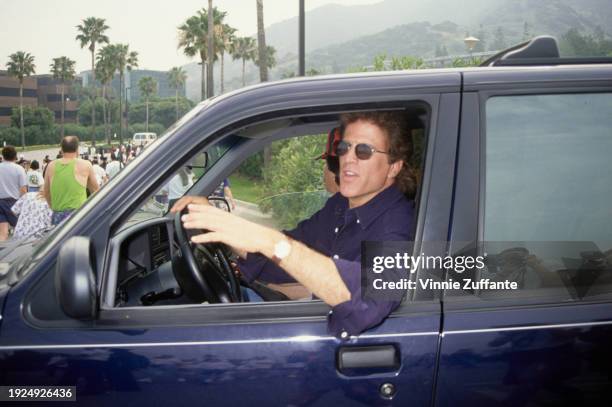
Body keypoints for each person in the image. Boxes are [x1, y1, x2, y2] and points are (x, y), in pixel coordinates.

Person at [173, 111, 417, 336]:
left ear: (394, 167)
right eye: (344, 148)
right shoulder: (341, 205)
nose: (348, 159)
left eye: (363, 151)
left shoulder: (397, 224)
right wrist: (224, 229)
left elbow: (371, 299)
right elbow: (294, 250)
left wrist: (272, 242)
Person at [44, 136, 99, 225]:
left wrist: (54, 208)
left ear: (61, 150)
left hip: (58, 215)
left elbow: (46, 193)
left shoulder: (51, 166)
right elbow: (96, 191)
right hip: (79, 216)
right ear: (77, 150)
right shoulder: (85, 165)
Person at [0, 145, 27, 241]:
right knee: (20, 229)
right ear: (15, 156)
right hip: (13, 203)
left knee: (3, 234)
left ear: (2, 156)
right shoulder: (19, 169)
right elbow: (23, 190)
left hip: (0, 202)